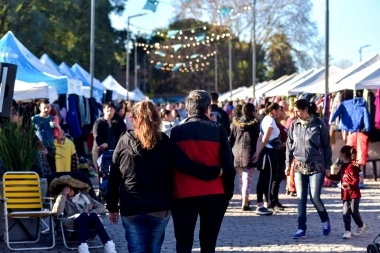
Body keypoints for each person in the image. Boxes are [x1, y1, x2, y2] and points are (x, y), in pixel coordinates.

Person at [170, 90, 235, 253]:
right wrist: (228, 193)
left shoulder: (177, 132)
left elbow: (172, 164)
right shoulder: (218, 129)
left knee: (183, 242)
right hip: (214, 193)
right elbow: (228, 166)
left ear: (187, 109)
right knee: (208, 242)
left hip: (183, 193)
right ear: (208, 109)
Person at [285, 99, 332, 239]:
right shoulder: (294, 124)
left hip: (317, 165)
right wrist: (287, 164)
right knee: (300, 198)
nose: (296, 113)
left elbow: (326, 146)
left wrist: (328, 165)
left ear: (306, 109)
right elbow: (289, 145)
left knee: (315, 198)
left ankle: (325, 220)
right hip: (299, 165)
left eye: (298, 110)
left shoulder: (319, 124)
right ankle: (301, 228)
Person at [50, 175, 116, 253]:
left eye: (69, 189)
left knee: (93, 215)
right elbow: (57, 213)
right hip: (73, 223)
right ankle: (83, 247)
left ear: (74, 187)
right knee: (84, 215)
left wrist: (90, 211)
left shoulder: (85, 196)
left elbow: (102, 208)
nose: (68, 192)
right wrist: (63, 195)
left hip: (89, 221)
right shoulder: (61, 198)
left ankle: (108, 245)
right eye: (65, 190)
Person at [326, 145, 366, 239]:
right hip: (345, 194)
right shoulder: (343, 166)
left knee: (354, 211)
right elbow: (338, 177)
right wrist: (329, 176)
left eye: (340, 154)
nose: (339, 156)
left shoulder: (353, 167)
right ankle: (347, 231)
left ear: (343, 154)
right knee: (345, 212)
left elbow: (356, 181)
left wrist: (349, 186)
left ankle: (360, 225)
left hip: (354, 194)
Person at [252, 102, 282, 216]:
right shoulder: (270, 120)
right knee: (268, 179)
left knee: (263, 179)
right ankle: (265, 204)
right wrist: (258, 152)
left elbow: (260, 137)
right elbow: (264, 138)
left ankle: (262, 204)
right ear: (274, 110)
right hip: (269, 151)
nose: (280, 112)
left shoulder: (265, 119)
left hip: (266, 151)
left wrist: (257, 151)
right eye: (279, 109)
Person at [229, 103, 260, 211]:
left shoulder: (234, 124)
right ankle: (245, 201)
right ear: (251, 111)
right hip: (249, 153)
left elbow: (230, 139)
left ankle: (244, 198)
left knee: (241, 179)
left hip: (236, 153)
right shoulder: (255, 124)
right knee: (248, 179)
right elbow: (258, 139)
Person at [92, 102, 126, 171]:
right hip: (101, 151)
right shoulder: (98, 122)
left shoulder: (119, 121)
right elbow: (96, 136)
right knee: (103, 172)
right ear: (103, 110)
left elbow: (123, 134)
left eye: (112, 108)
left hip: (116, 151)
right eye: (108, 108)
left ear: (114, 110)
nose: (110, 109)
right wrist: (102, 144)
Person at [32, 99, 58, 173]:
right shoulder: (34, 119)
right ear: (40, 108)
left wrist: (57, 127)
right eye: (44, 107)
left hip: (52, 149)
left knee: (52, 169)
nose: (46, 109)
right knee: (43, 170)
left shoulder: (53, 118)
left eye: (48, 107)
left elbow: (60, 133)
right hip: (40, 150)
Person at [270, 106, 288, 211]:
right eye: (282, 110)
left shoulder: (280, 124)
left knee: (279, 178)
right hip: (277, 153)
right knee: (275, 179)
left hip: (282, 153)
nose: (284, 112)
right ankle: (273, 201)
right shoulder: (274, 125)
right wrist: (284, 144)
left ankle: (276, 200)